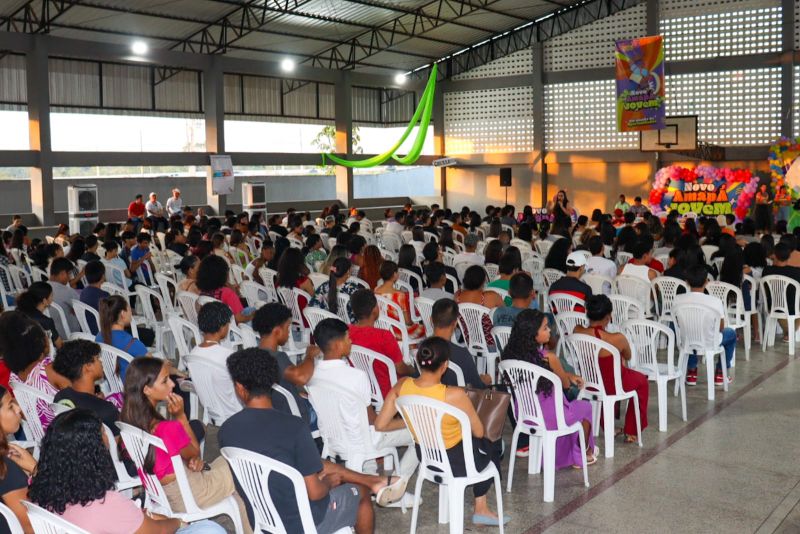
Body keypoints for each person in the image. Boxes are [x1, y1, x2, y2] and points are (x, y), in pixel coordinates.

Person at [219, 348, 407, 534]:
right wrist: (329, 483)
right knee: (361, 494)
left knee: (317, 463)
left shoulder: (226, 430)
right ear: (273, 383)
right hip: (305, 522)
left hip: (263, 518)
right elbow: (316, 493)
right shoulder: (294, 427)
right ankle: (369, 484)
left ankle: (374, 480)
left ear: (240, 388)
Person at [375, 336, 509, 527]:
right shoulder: (454, 394)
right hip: (457, 462)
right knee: (492, 443)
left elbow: (381, 425)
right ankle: (482, 507)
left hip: (427, 459)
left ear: (419, 362)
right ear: (445, 365)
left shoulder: (402, 385)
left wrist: (413, 420)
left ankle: (481, 507)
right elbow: (479, 432)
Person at [29, 409, 223, 534]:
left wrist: (139, 515)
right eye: (102, 433)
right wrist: (178, 522)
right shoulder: (105, 501)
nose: (108, 437)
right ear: (93, 450)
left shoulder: (41, 488)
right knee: (210, 529)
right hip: (144, 526)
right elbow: (158, 532)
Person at [120, 357, 250, 531]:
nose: (172, 385)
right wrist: (181, 417)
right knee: (243, 462)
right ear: (147, 390)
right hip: (193, 494)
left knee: (227, 467)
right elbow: (195, 452)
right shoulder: (167, 428)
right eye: (165, 381)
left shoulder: (129, 423)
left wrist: (189, 462)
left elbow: (181, 458)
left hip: (164, 495)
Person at [308, 319, 418, 487]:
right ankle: (395, 487)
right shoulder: (356, 376)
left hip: (333, 438)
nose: (350, 341)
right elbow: (373, 421)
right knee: (421, 433)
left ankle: (371, 474)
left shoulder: (312, 373)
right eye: (347, 338)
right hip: (363, 440)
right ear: (337, 345)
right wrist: (405, 421)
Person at [501, 309, 597, 467]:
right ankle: (583, 454)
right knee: (584, 407)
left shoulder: (510, 356)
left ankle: (567, 453)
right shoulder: (549, 358)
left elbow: (550, 375)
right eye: (545, 328)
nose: (550, 330)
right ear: (533, 333)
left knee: (568, 408)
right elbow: (565, 386)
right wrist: (569, 377)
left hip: (525, 414)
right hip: (551, 417)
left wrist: (566, 374)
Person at [573, 295, 648, 442]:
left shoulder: (577, 330)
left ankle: (607, 424)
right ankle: (631, 431)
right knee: (642, 382)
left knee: (608, 379)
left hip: (589, 382)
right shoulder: (616, 338)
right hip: (612, 385)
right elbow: (628, 355)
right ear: (608, 316)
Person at [2, 312, 68, 430]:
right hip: (70, 431)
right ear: (40, 343)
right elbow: (79, 398)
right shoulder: (50, 370)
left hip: (44, 434)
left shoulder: (14, 376)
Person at [253, 303, 315, 423]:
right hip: (295, 417)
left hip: (275, 413)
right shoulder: (277, 357)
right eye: (287, 328)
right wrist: (310, 355)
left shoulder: (256, 353)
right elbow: (302, 377)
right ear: (277, 331)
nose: (288, 333)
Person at [348, 289, 415, 398]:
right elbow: (401, 368)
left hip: (362, 389)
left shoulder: (347, 332)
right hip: (388, 391)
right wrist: (413, 371)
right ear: (375, 310)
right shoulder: (384, 336)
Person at [187, 302, 242, 423]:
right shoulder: (228, 356)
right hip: (235, 412)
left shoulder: (192, 354)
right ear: (222, 327)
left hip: (213, 411)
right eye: (228, 323)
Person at [53, 339, 123, 430]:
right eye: (97, 358)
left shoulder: (61, 396)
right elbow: (114, 443)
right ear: (88, 367)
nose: (101, 362)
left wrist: (95, 400)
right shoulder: (107, 411)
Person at [0, 384, 35, 533]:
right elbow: (30, 526)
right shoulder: (6, 469)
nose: (18, 409)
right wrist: (35, 468)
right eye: (10, 406)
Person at [433, 299, 490, 389]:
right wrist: (484, 381)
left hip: (428, 400)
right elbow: (477, 388)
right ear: (455, 323)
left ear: (430, 320)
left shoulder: (421, 349)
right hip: (456, 401)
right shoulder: (462, 354)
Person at [96, 295, 149, 381]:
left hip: (113, 386)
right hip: (132, 387)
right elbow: (154, 367)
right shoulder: (132, 343)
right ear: (122, 314)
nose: (131, 312)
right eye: (129, 309)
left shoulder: (98, 337)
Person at [374, 261, 426, 339]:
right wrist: (414, 323)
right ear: (394, 275)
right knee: (425, 329)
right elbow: (407, 321)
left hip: (382, 330)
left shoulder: (376, 290)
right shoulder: (399, 295)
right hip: (398, 332)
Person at [196, 255, 254, 324]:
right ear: (222, 273)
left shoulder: (203, 293)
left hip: (214, 327)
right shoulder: (228, 293)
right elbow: (238, 318)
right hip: (233, 329)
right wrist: (253, 315)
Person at [762, 243, 800, 342]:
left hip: (773, 307)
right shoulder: (796, 272)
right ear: (789, 256)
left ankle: (788, 333)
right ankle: (790, 332)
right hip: (793, 309)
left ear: (774, 255)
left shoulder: (767, 271)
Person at [310, 257, 361, 324]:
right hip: (348, 328)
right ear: (348, 271)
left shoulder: (323, 286)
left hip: (328, 326)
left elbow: (312, 305)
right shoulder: (352, 289)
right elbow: (360, 312)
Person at [15, 281, 62, 350]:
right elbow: (60, 346)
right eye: (51, 295)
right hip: (39, 357)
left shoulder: (18, 311)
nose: (52, 298)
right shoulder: (46, 321)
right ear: (45, 301)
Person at [48, 256, 80, 336]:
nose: (69, 278)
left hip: (50, 334)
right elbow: (81, 311)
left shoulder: (42, 287)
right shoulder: (68, 291)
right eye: (69, 274)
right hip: (69, 334)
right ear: (62, 273)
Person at [77, 260, 109, 334]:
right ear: (102, 276)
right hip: (100, 333)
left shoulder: (83, 292)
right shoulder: (104, 295)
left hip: (87, 332)